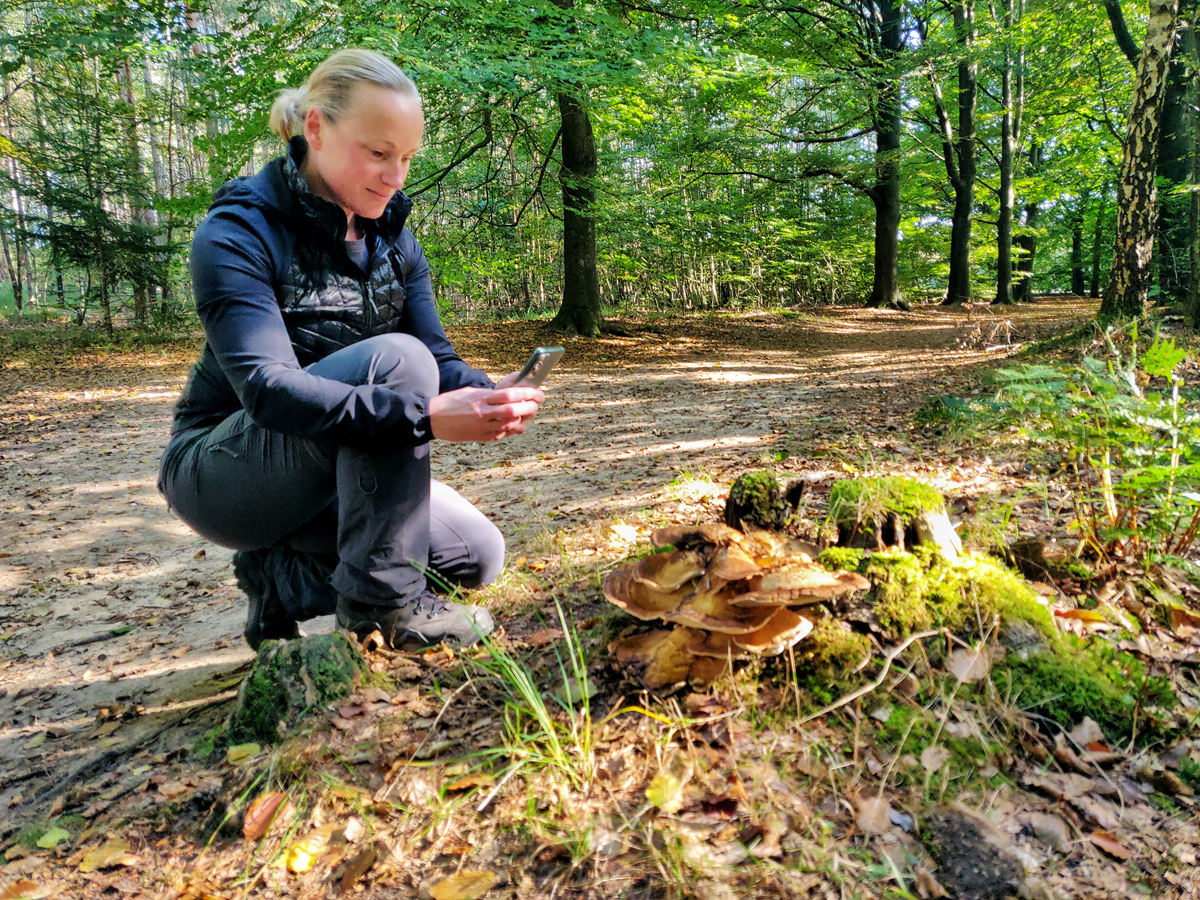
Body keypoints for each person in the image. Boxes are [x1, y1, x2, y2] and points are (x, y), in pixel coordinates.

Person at [157, 49, 544, 650]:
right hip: (226, 470)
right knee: (397, 361)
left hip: (335, 467)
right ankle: (383, 612)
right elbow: (267, 389)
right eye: (378, 152)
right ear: (316, 128)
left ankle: (282, 580)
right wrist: (424, 418)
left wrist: (485, 390)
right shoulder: (237, 232)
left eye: (408, 158)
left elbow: (436, 357)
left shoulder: (394, 240)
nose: (396, 177)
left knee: (476, 555)